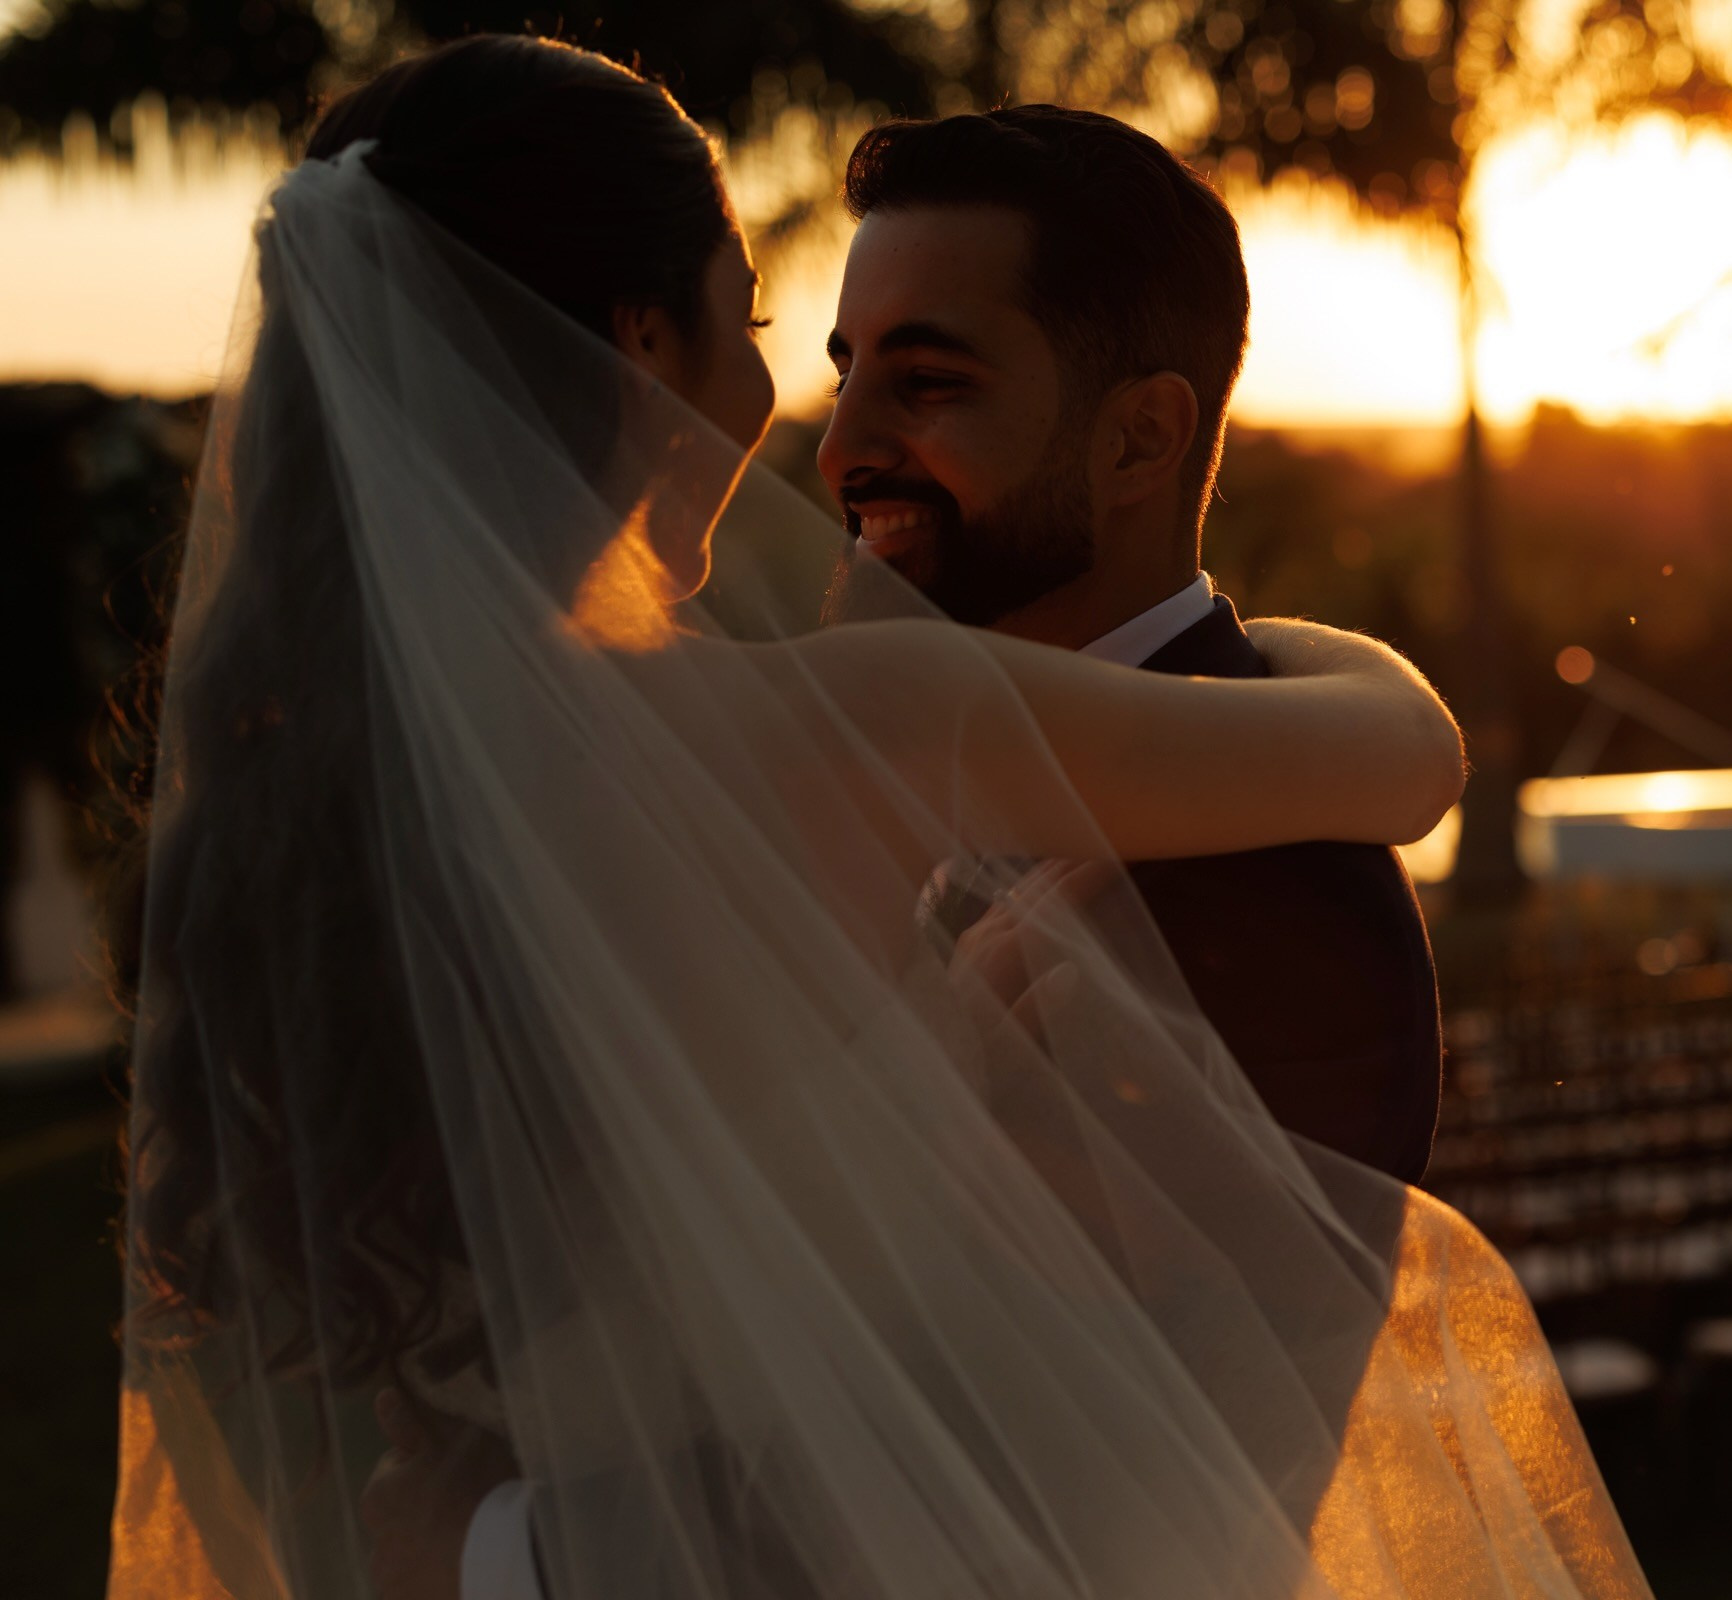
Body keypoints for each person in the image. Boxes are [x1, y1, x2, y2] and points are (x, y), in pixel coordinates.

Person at [107, 34, 1649, 1600]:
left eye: (925, 381)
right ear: (639, 350)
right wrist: (1340, 672)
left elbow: (1124, 1494)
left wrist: (491, 1553)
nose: (828, 442)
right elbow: (1403, 753)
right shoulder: (844, 738)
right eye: (788, 337)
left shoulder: (338, 799)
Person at [816, 107, 1444, 1186]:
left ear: (1140, 439)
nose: (839, 453)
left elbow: (1220, 1348)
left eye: (926, 383)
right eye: (847, 374)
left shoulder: (1276, 901)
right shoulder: (908, 758)